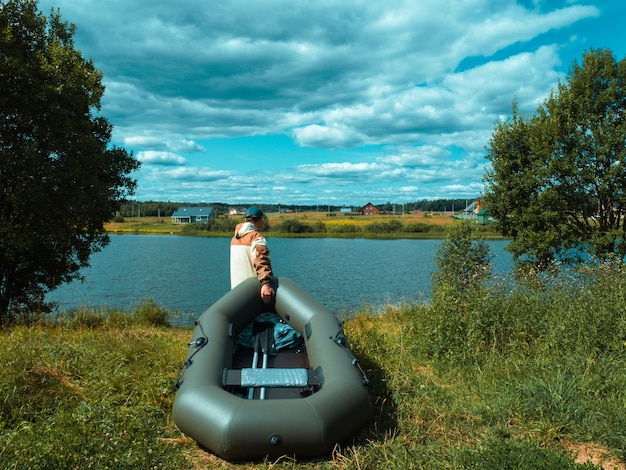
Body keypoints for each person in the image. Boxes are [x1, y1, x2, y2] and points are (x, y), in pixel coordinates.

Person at [230, 206, 275, 303]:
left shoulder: (234, 239)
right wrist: (266, 283)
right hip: (252, 292)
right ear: (260, 219)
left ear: (245, 219)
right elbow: (261, 259)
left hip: (236, 292)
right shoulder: (256, 236)